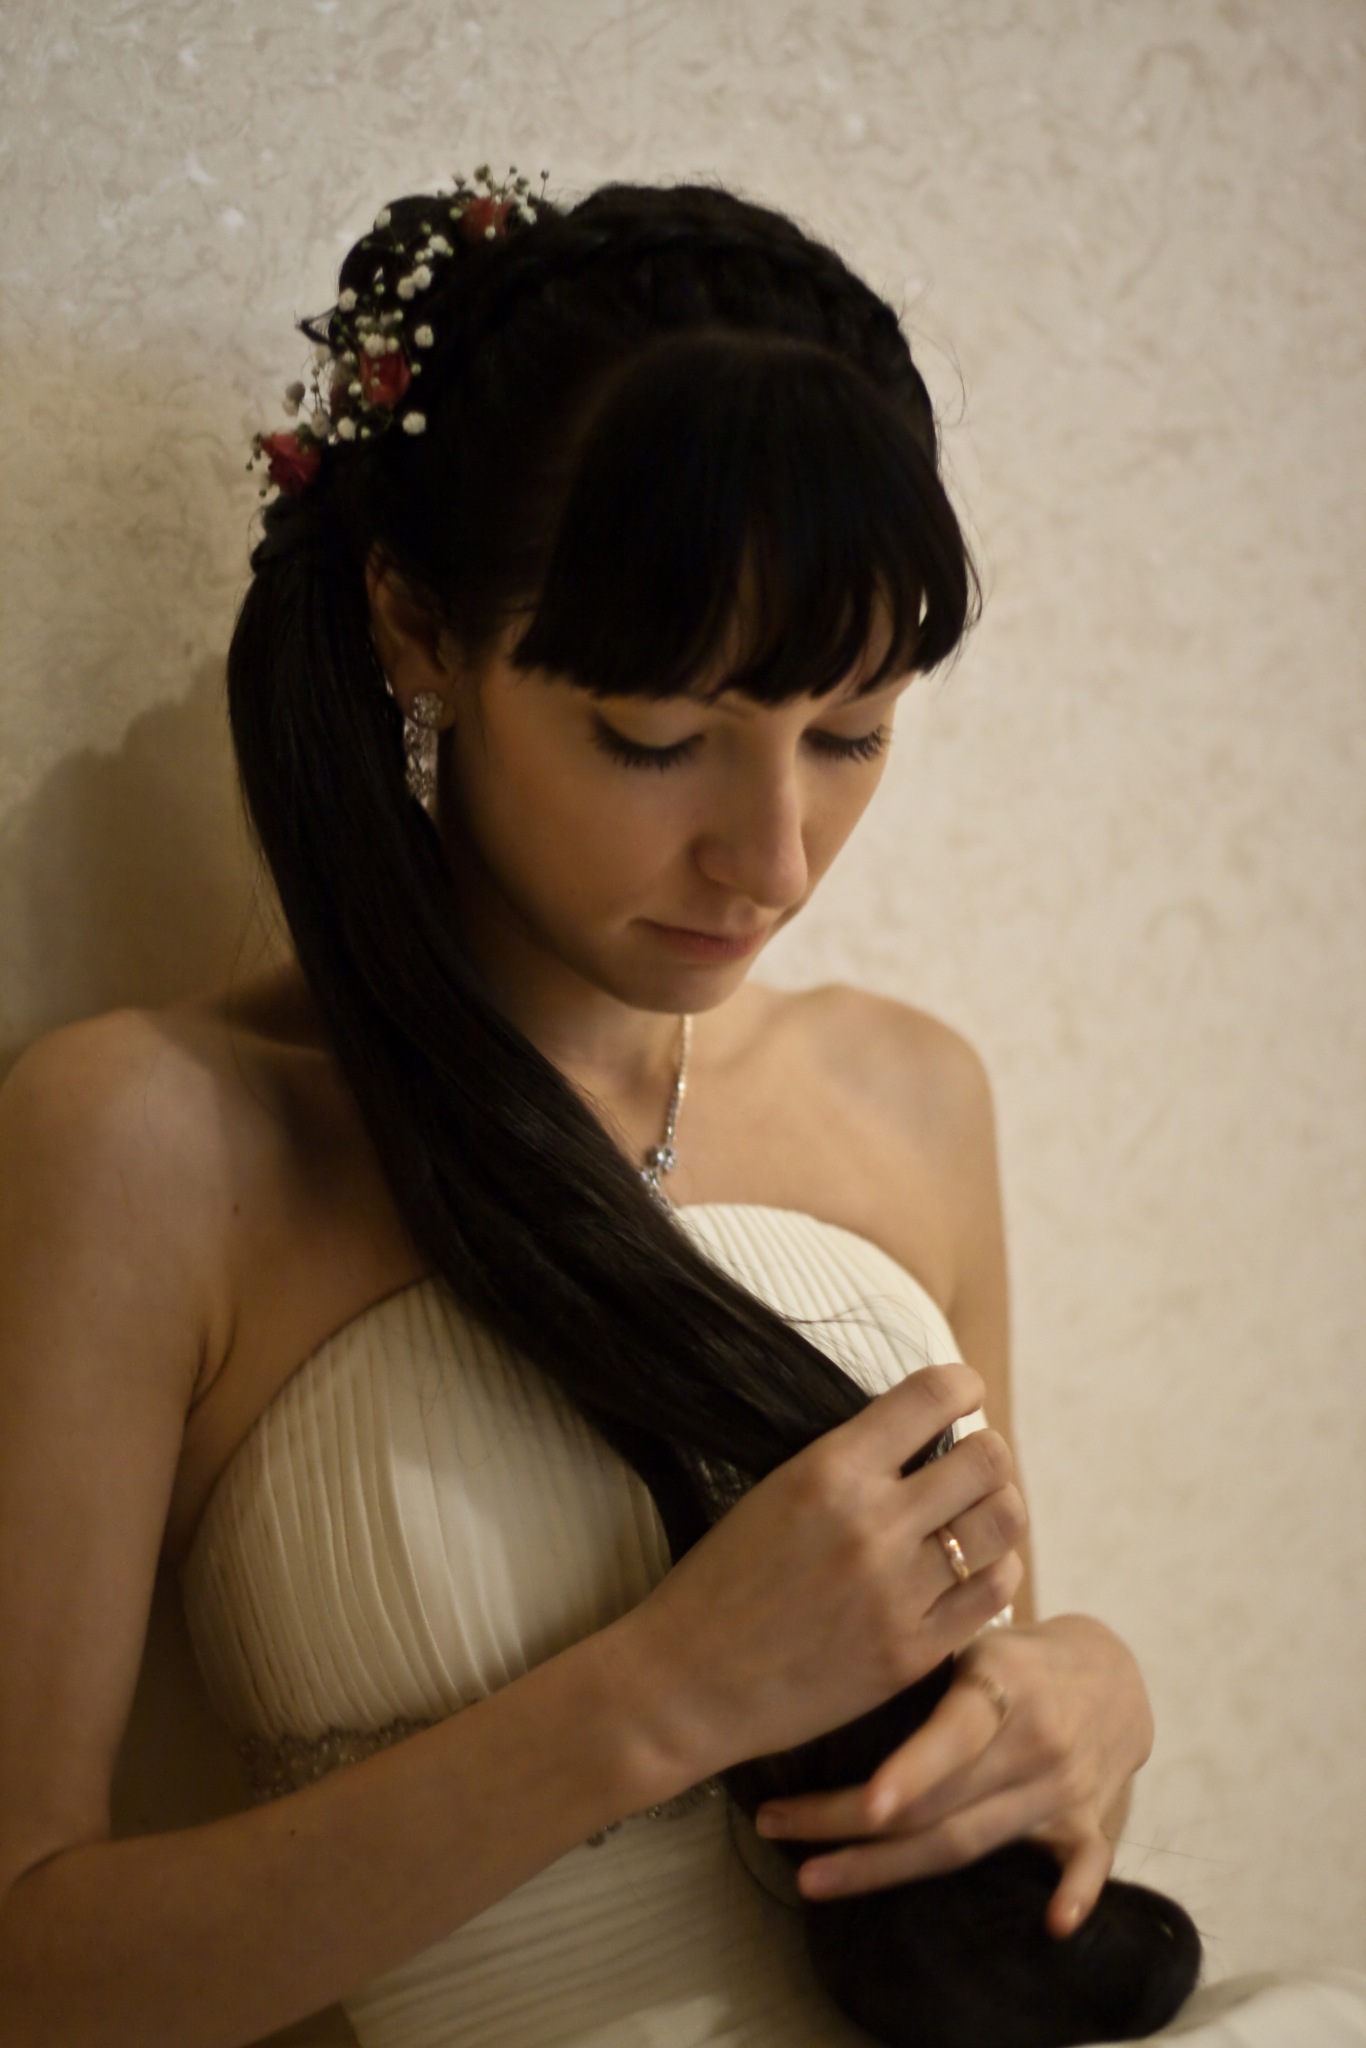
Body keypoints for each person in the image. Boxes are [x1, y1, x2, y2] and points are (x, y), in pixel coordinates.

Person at [0, 170, 1360, 2048]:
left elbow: (960, 1791)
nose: (774, 855)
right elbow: (29, 1968)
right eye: (658, 739)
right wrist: (660, 1698)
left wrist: (1083, 1704)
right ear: (416, 629)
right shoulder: (155, 1147)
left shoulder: (907, 1095)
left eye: (850, 733)